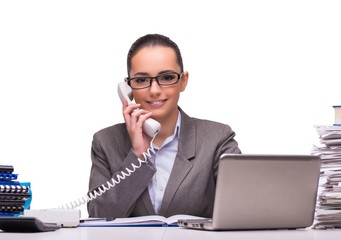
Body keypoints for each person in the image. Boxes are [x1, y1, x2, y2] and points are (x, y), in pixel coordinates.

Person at [87, 34, 241, 218]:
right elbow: (98, 218)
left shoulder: (217, 139)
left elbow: (244, 207)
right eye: (142, 80)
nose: (154, 90)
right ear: (128, 88)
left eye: (167, 77)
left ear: (183, 81)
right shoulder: (105, 142)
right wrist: (137, 156)